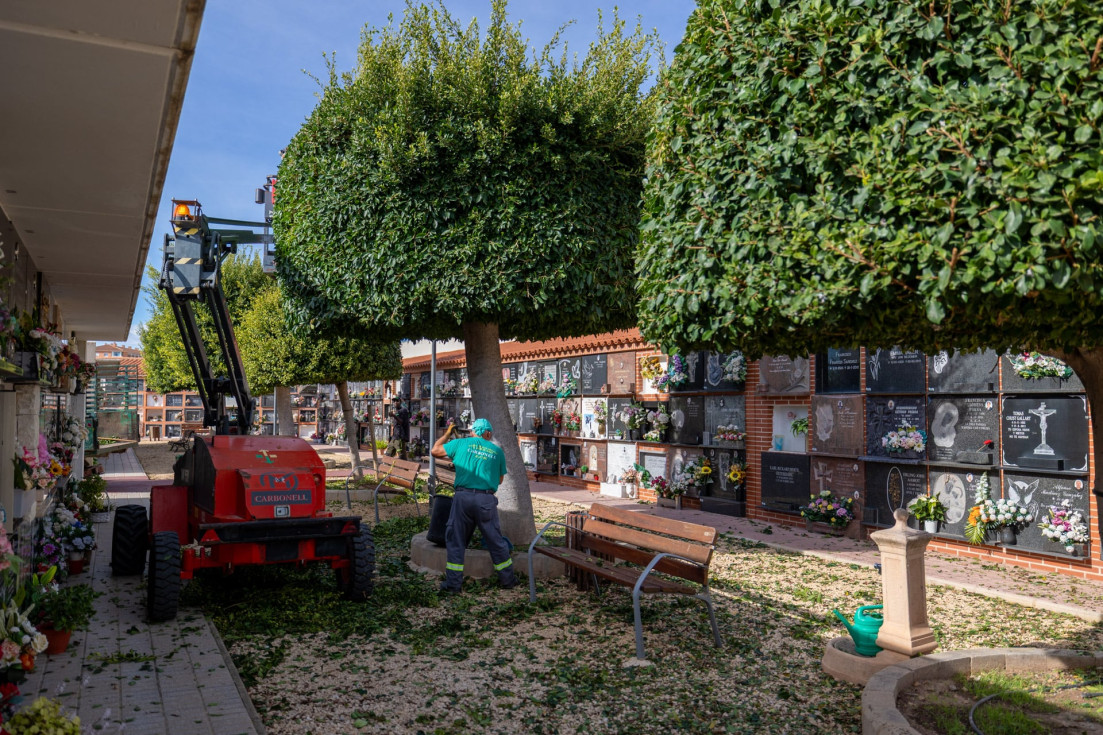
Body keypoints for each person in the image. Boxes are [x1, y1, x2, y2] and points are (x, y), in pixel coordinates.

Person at [431, 418, 519, 593]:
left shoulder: (459, 443)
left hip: (462, 498)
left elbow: (435, 451)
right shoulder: (496, 451)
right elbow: (500, 480)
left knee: (456, 540)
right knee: (495, 540)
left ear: (472, 432)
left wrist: (447, 434)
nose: (491, 435)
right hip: (485, 500)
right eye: (490, 433)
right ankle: (508, 580)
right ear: (486, 433)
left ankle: (453, 585)